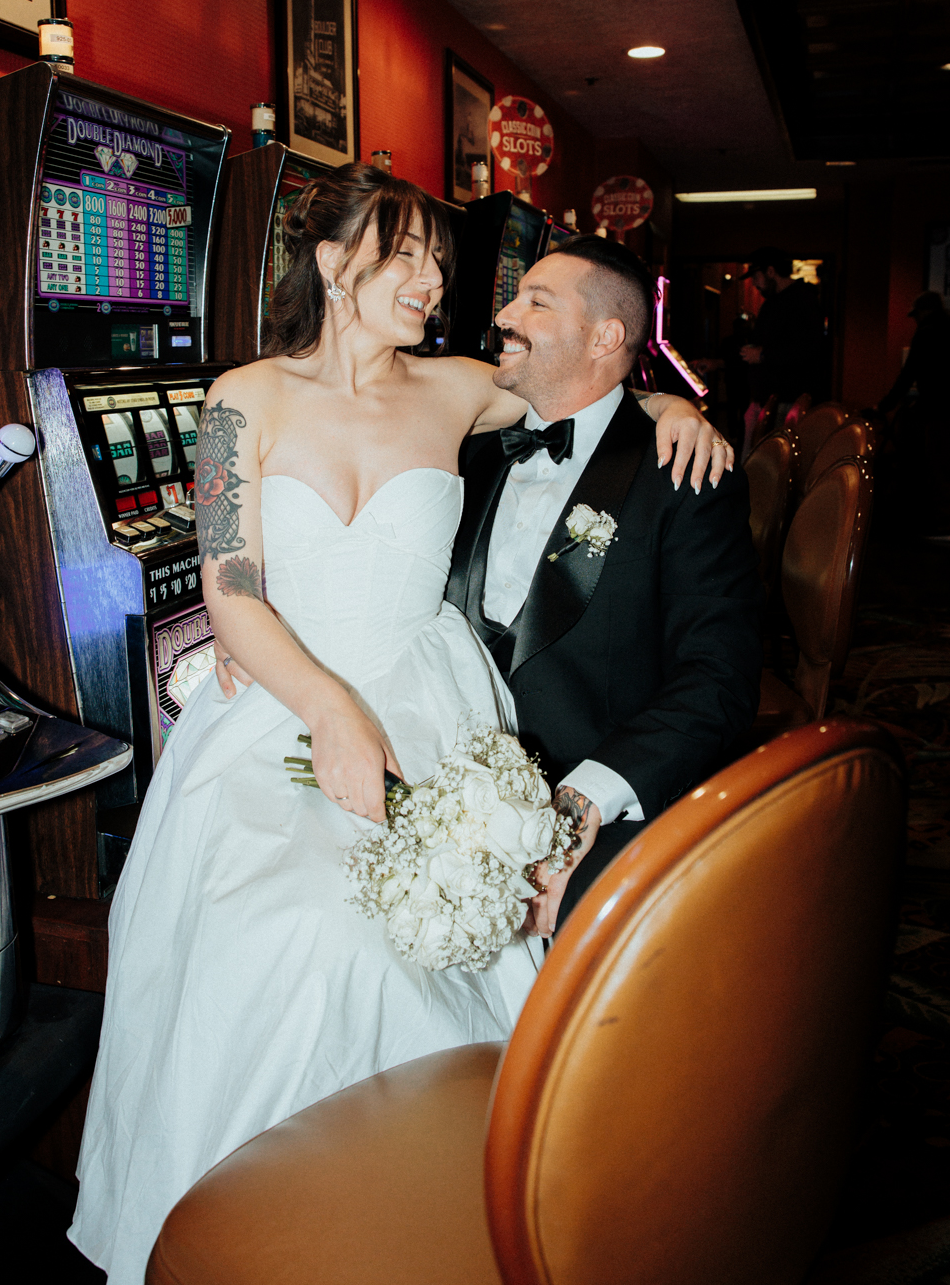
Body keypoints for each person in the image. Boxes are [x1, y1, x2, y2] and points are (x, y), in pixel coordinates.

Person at [70, 165, 728, 1282]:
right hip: (284, 702)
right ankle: (258, 1225)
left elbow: (586, 394)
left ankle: (430, 1220)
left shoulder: (462, 386)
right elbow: (230, 587)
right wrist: (330, 711)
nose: (434, 279)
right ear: (333, 266)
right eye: (406, 254)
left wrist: (671, 400)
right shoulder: (241, 399)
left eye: (438, 258)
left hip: (434, 707)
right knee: (284, 938)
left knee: (406, 952)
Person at [444, 235, 763, 931]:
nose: (504, 313)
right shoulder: (463, 449)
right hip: (442, 785)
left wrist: (587, 797)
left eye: (536, 300)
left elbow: (719, 677)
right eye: (513, 294)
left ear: (604, 336)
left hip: (605, 795)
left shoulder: (683, 472)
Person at [877, 290, 950, 535]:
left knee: (939, 466)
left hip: (940, 409)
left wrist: (885, 405)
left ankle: (947, 525)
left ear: (924, 311)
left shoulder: (926, 334)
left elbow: (908, 374)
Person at [739, 246, 826, 456]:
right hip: (767, 399)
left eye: (756, 276)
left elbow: (809, 350)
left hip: (785, 401)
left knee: (768, 464)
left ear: (770, 271)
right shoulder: (774, 303)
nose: (754, 283)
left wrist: (762, 355)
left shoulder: (802, 300)